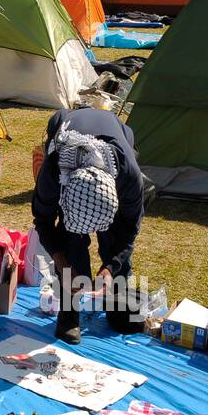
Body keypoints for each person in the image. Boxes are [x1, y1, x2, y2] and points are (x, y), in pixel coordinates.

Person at [31, 107, 146, 344]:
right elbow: (43, 221)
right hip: (67, 130)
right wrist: (62, 261)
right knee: (70, 241)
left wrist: (110, 268)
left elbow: (130, 231)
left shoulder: (129, 178)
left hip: (116, 133)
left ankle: (119, 293)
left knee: (125, 319)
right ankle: (69, 312)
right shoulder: (53, 172)